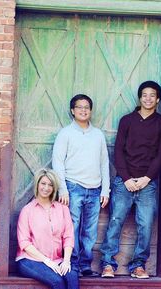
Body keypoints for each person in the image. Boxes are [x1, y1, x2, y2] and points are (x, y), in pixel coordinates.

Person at [100, 81, 161, 279]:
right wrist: (127, 178)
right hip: (124, 182)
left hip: (147, 183)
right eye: (144, 94)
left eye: (152, 95)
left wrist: (147, 178)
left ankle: (138, 266)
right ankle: (107, 264)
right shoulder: (127, 120)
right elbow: (118, 151)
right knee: (115, 220)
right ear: (140, 98)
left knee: (146, 224)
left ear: (157, 99)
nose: (148, 98)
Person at [16, 169, 87, 289]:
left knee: (71, 276)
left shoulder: (62, 209)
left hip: (57, 259)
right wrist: (46, 261)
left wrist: (66, 260)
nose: (46, 188)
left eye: (49, 184)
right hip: (29, 259)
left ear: (54, 188)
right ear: (37, 185)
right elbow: (24, 242)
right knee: (56, 281)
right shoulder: (28, 210)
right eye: (43, 183)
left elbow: (69, 236)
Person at [52, 94, 110, 277]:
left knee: (90, 230)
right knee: (73, 227)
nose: (83, 110)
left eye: (86, 107)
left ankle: (86, 265)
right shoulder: (66, 133)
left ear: (90, 110)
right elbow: (58, 162)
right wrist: (63, 189)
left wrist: (105, 189)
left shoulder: (98, 134)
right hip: (73, 186)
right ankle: (73, 264)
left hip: (94, 189)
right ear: (72, 110)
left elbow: (104, 163)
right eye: (79, 107)